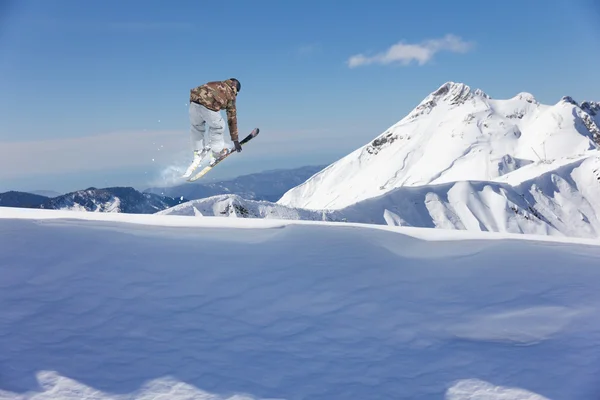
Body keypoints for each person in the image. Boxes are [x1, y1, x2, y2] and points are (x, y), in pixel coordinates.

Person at [183, 78, 242, 178]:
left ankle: (198, 151)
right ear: (235, 87)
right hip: (208, 106)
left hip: (194, 103)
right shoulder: (230, 93)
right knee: (218, 127)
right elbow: (232, 118)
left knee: (197, 127)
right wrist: (235, 140)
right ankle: (216, 153)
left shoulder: (215, 83)